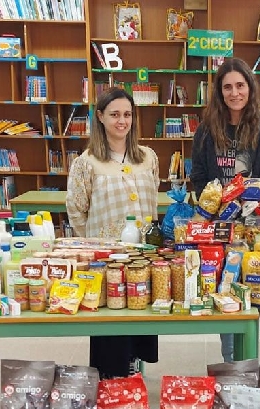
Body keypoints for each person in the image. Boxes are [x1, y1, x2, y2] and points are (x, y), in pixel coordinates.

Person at [191, 57, 260, 362]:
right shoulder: (207, 130)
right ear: (219, 93)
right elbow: (199, 178)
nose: (234, 93)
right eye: (227, 87)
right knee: (228, 297)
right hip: (222, 231)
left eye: (240, 85)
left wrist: (249, 202)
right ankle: (234, 370)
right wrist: (216, 206)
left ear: (250, 88)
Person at [66, 87, 160, 378]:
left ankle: (135, 377)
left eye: (128, 114)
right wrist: (97, 242)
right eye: (115, 114)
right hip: (107, 260)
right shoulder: (87, 162)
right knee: (111, 325)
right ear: (100, 118)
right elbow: (76, 210)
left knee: (140, 318)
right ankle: (110, 386)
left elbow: (153, 195)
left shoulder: (148, 157)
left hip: (143, 258)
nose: (122, 121)